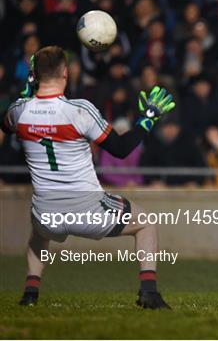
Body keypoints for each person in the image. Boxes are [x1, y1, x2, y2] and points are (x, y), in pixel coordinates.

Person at [1, 46, 176, 309]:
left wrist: (26, 92)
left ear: (35, 74)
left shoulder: (19, 111)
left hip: (46, 212)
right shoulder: (80, 110)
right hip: (87, 209)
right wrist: (147, 119)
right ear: (65, 73)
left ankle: (30, 293)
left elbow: (6, 124)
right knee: (147, 223)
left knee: (39, 233)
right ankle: (148, 291)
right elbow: (120, 149)